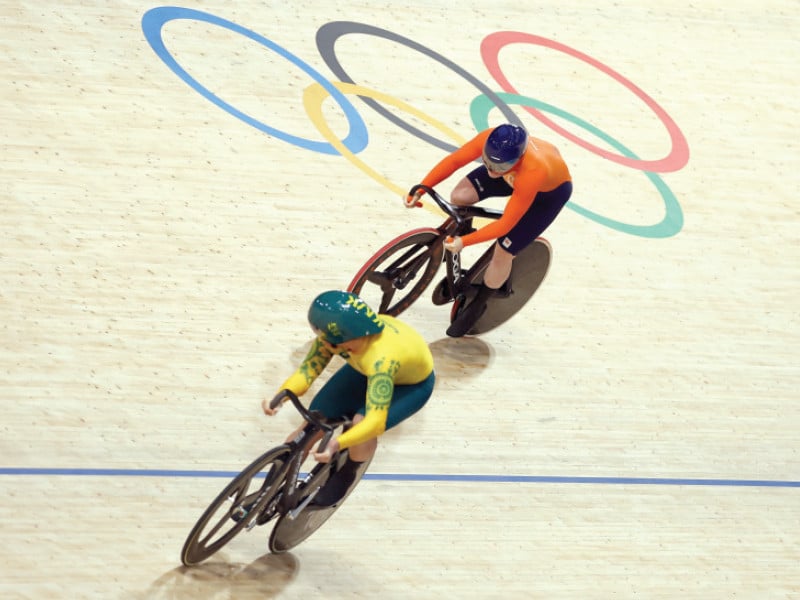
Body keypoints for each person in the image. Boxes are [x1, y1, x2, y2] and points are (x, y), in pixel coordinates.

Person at [262, 290, 435, 506]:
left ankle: (347, 473)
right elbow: (306, 373)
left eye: (334, 344)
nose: (328, 347)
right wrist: (281, 396)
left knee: (360, 424)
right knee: (312, 422)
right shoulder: (337, 338)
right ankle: (266, 491)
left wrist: (337, 443)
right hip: (363, 371)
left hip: (410, 386)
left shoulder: (381, 359)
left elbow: (375, 422)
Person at [405, 123, 572, 337]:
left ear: (518, 158)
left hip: (547, 194)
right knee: (460, 197)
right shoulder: (492, 147)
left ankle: (481, 301)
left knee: (503, 250)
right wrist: (422, 187)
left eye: (499, 166)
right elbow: (455, 160)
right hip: (513, 175)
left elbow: (506, 225)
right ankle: (462, 229)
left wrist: (464, 242)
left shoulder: (533, 170)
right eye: (487, 162)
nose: (491, 170)